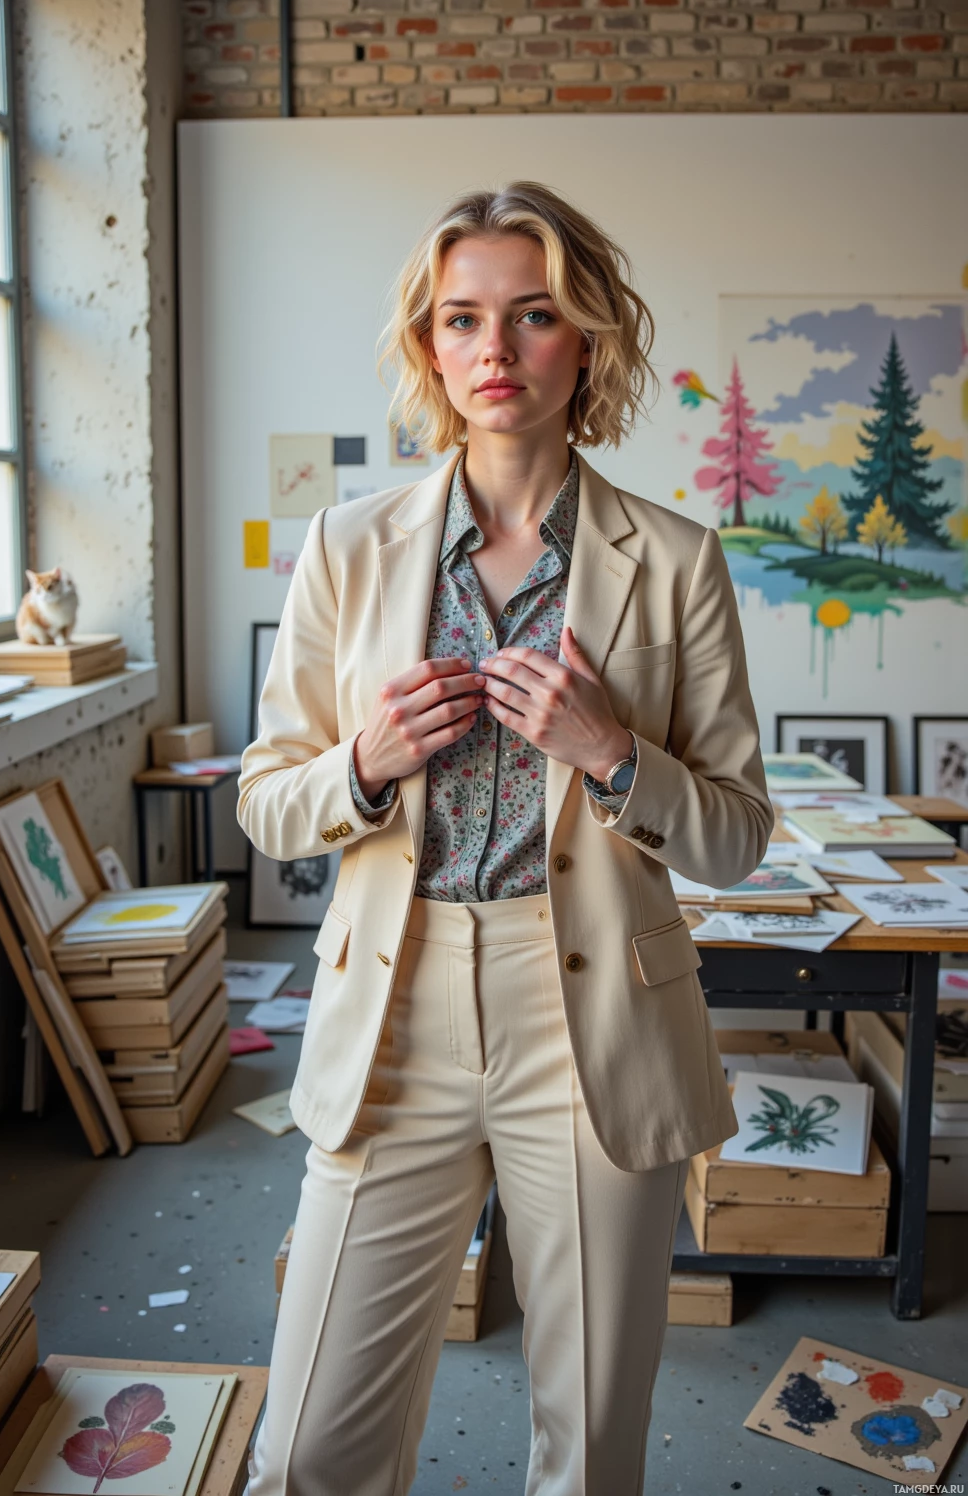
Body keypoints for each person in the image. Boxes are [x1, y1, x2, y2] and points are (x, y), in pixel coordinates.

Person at [237, 181, 773, 1496]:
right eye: (462, 318)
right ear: (431, 346)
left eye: (533, 317)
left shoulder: (678, 561)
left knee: (587, 1454)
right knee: (309, 1448)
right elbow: (266, 797)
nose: (495, 349)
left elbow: (738, 837)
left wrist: (614, 756)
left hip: (590, 1020)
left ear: (585, 339)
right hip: (394, 1008)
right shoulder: (351, 546)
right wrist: (362, 764)